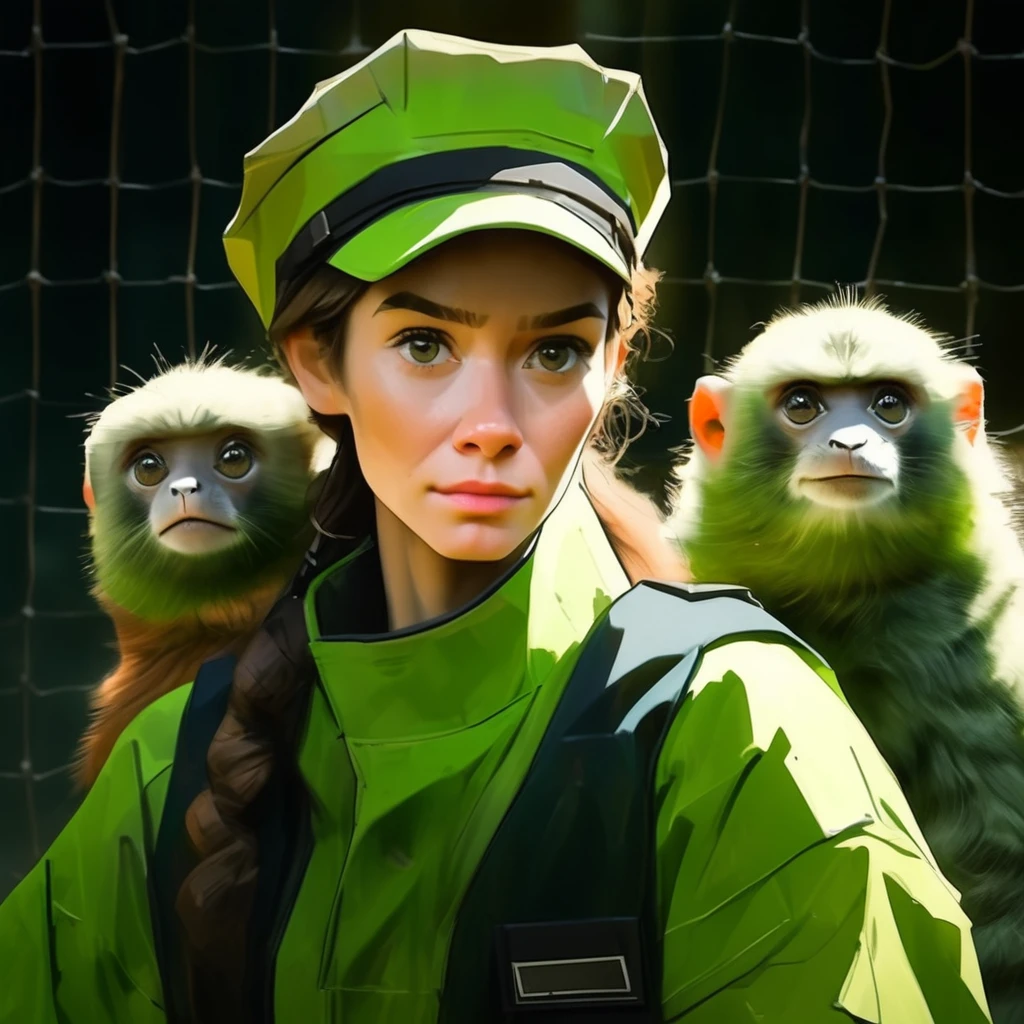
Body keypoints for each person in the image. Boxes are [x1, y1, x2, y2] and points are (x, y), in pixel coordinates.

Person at [0, 29, 992, 1024]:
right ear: (316, 362)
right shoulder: (173, 762)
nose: (489, 425)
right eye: (425, 343)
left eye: (555, 351)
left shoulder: (744, 727)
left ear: (614, 368)